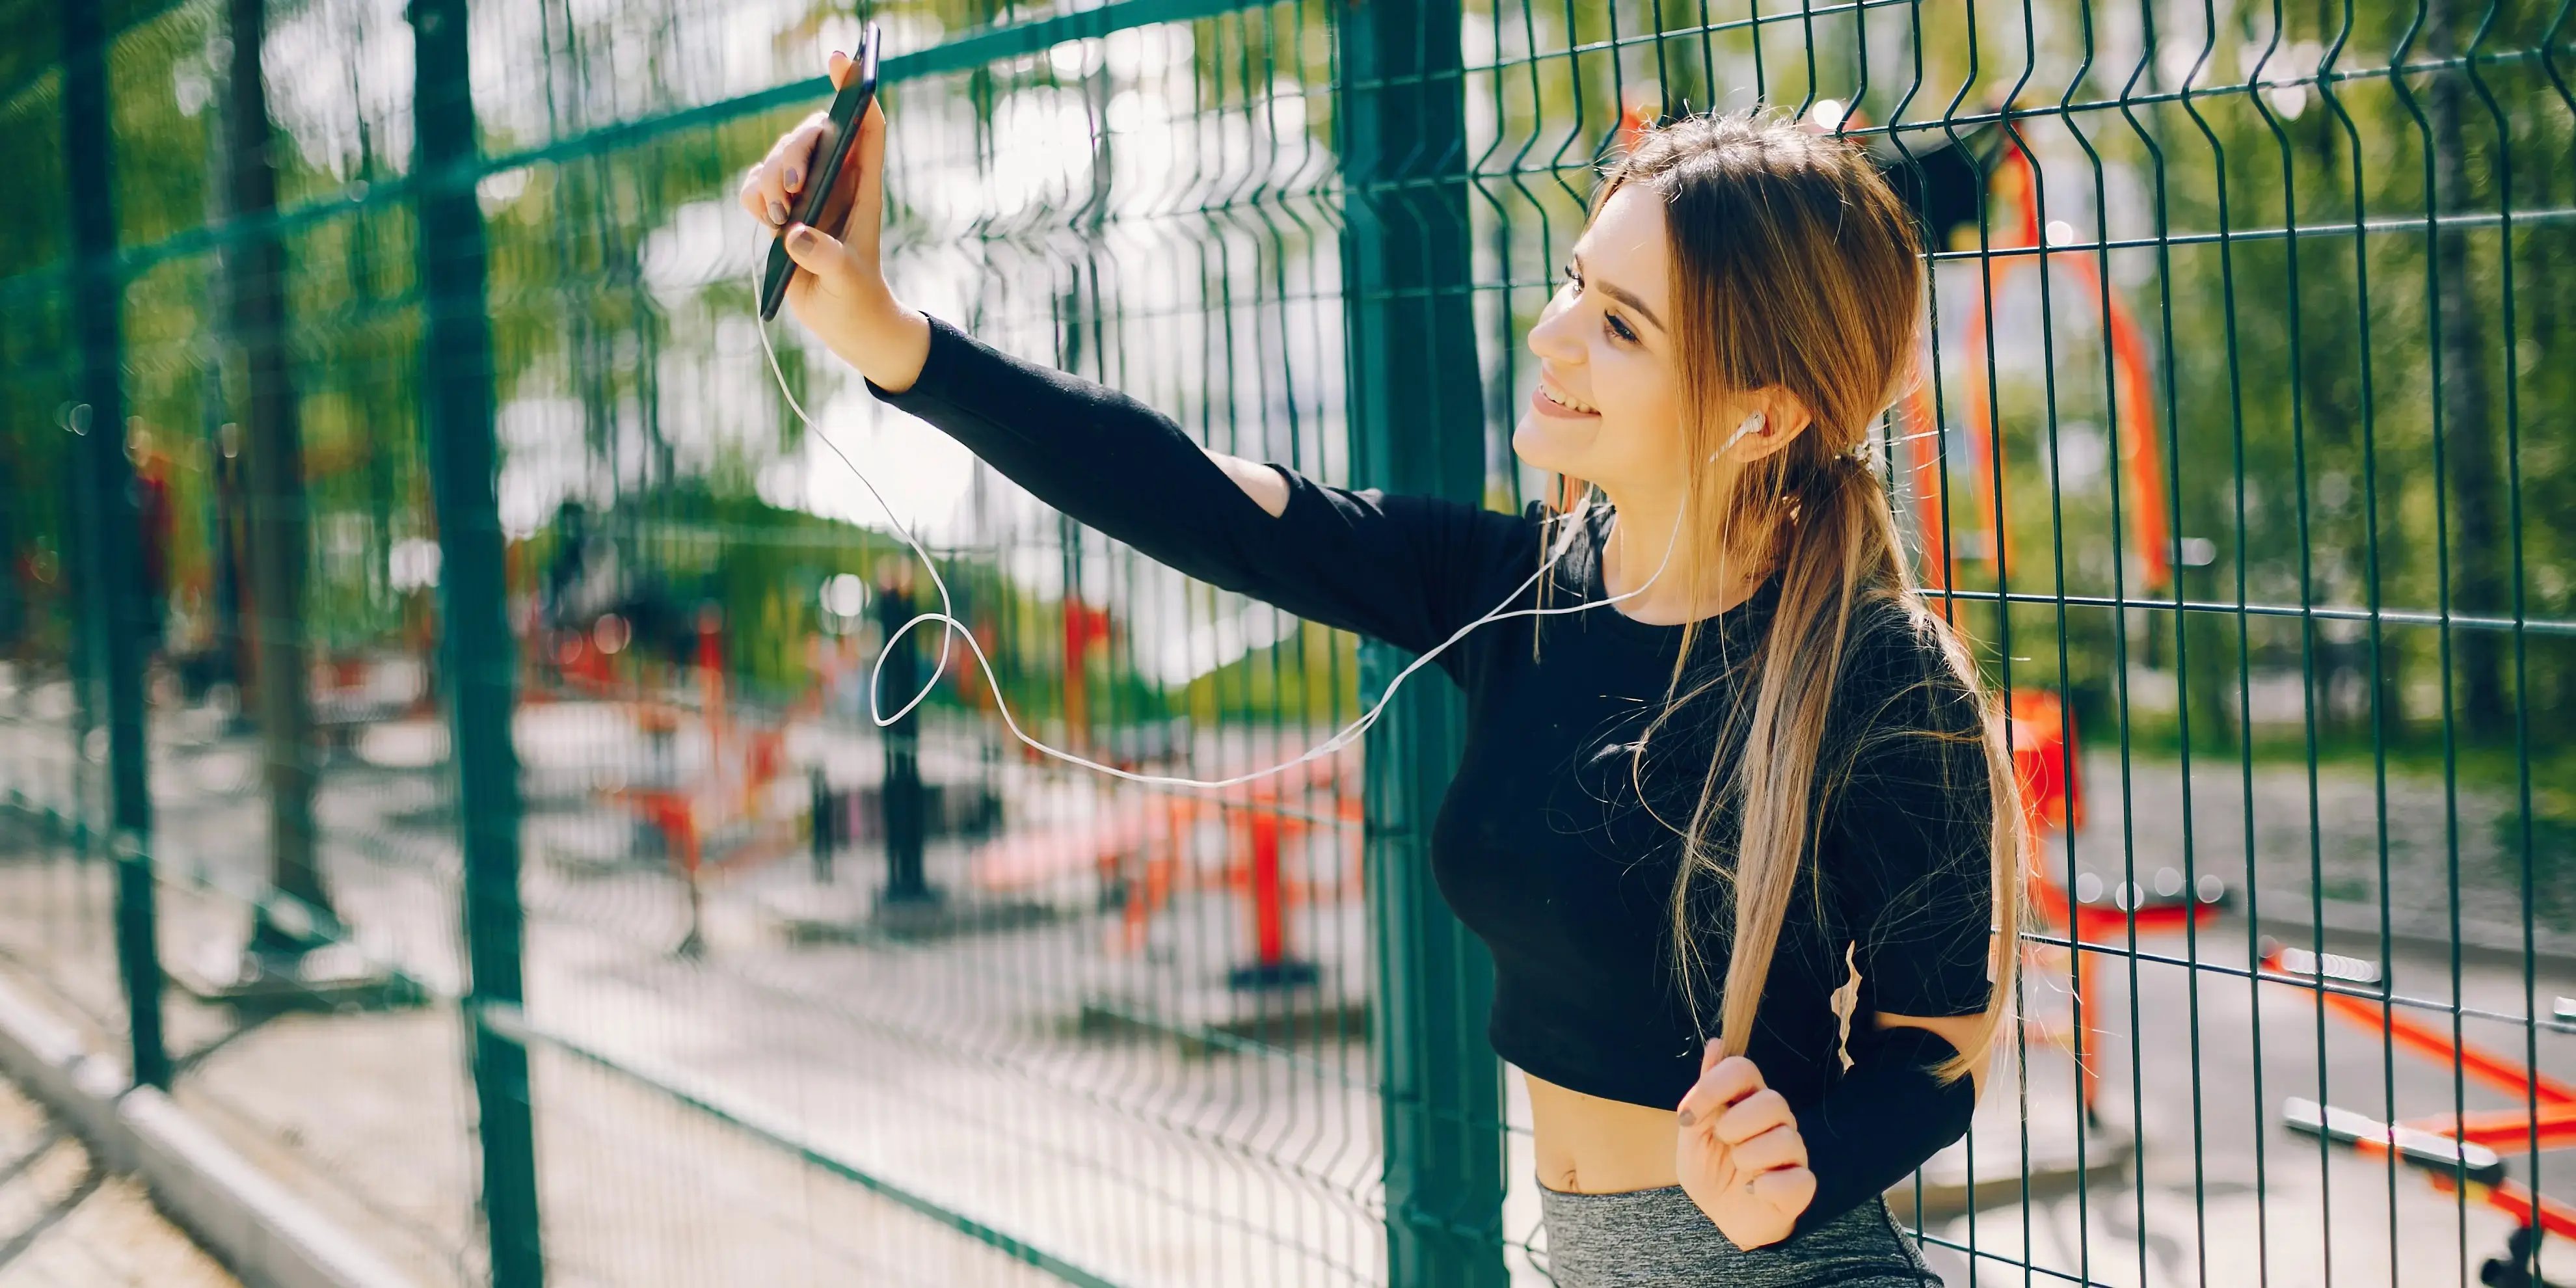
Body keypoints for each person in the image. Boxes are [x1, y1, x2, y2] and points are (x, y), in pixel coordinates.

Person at [742, 51, 2022, 1287]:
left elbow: (1937, 1048)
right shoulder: (1512, 592)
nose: (1552, 332)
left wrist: (1801, 1167)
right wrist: (887, 332)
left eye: (1619, 326)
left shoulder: (1880, 678)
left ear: (1765, 413)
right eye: (1574, 280)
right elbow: (1195, 497)